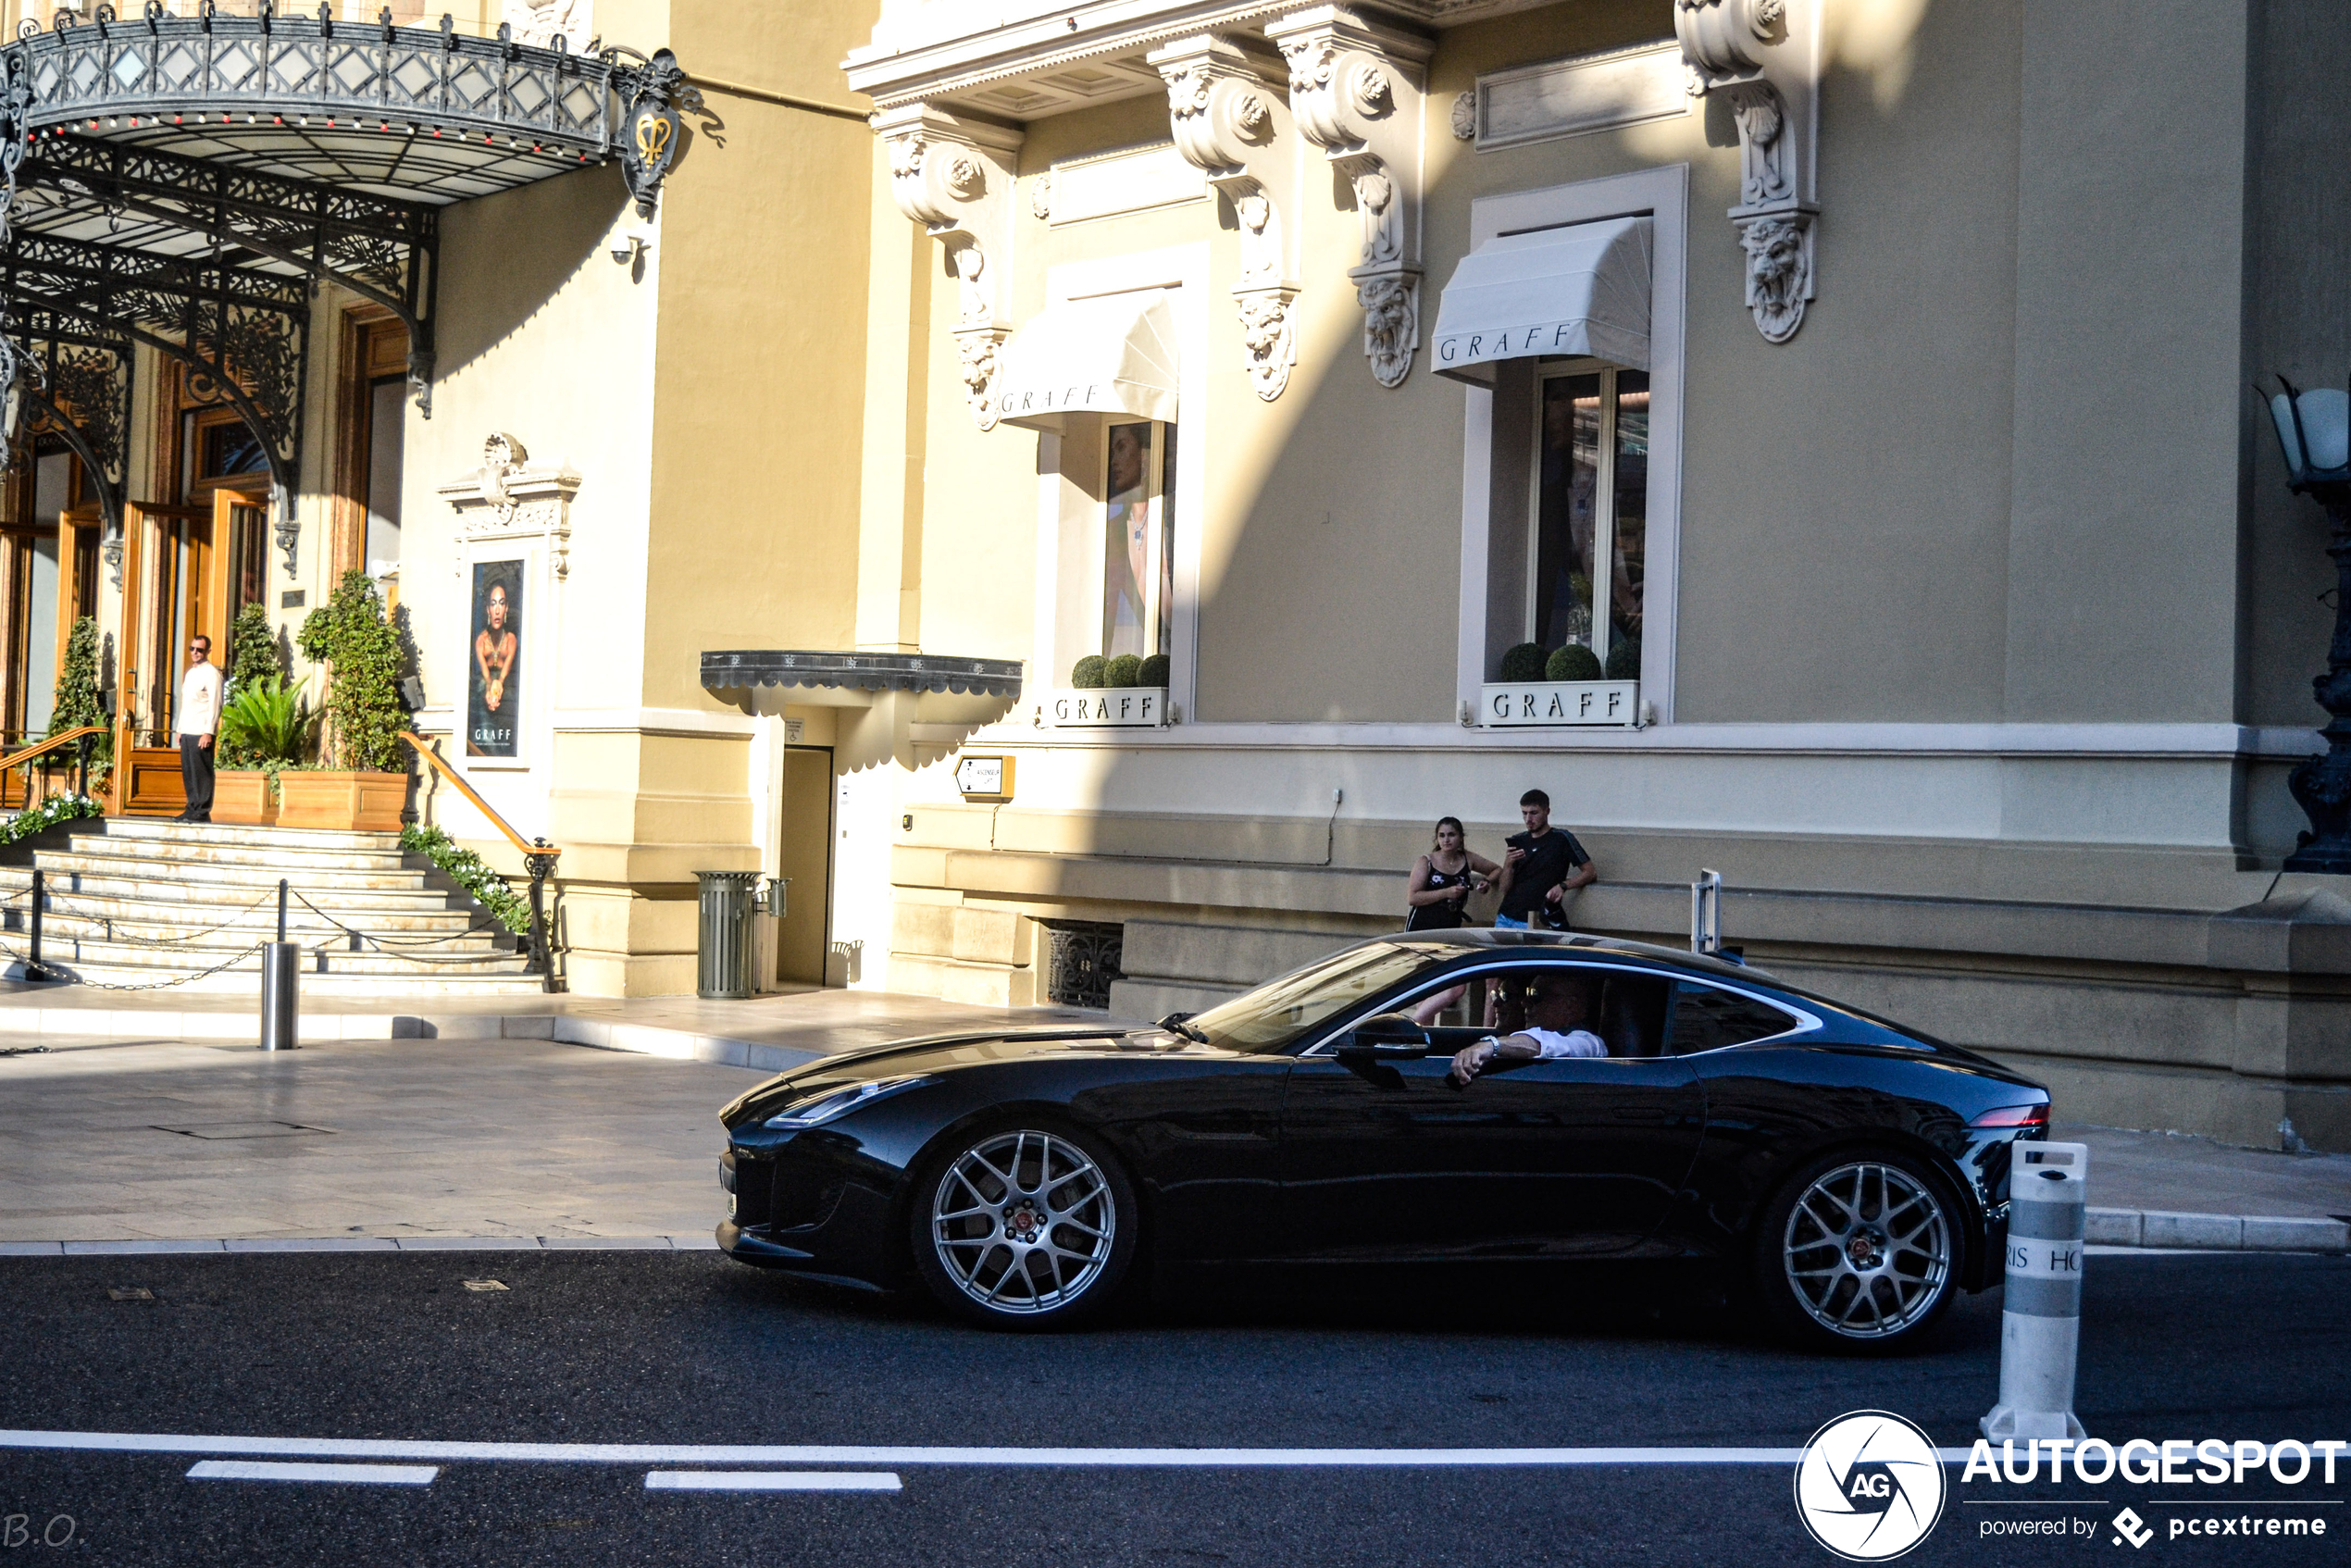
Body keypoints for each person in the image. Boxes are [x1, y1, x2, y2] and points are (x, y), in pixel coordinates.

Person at [1449, 971, 1606, 1086]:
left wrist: (1490, 1046)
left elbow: (1544, 1044)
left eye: (1535, 995)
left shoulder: (1588, 1043)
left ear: (1570, 1006)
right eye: (1528, 993)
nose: (1524, 1003)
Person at [1490, 788, 1596, 931]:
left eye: (1534, 813)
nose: (1528, 819)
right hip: (1506, 915)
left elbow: (1590, 872)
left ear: (1547, 811)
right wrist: (1508, 865)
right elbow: (1504, 888)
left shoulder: (1561, 838)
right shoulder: (1518, 840)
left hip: (1536, 919)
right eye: (1524, 813)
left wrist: (1563, 886)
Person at [1404, 816, 1499, 933]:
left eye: (1451, 835)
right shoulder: (1426, 861)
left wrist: (1488, 882)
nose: (1446, 840)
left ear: (1460, 837)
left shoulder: (1468, 858)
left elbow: (1497, 869)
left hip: (1451, 923)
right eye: (1442, 835)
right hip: (1423, 924)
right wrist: (1446, 892)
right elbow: (1413, 898)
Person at [174, 632, 223, 824]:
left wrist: (209, 731)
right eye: (192, 649)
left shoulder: (212, 674)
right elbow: (186, 704)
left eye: (199, 650)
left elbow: (215, 704)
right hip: (188, 729)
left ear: (208, 651)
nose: (195, 652)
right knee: (189, 771)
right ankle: (191, 808)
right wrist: (180, 729)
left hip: (201, 731)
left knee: (202, 772)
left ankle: (202, 811)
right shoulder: (191, 673)